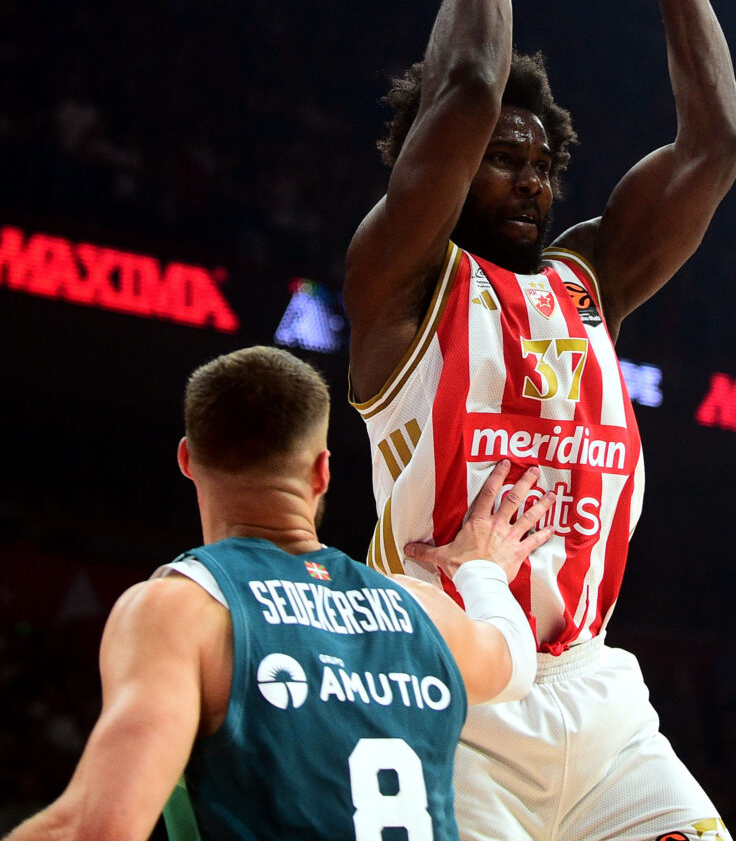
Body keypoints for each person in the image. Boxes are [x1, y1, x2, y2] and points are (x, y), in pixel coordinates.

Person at [345, 0, 736, 841]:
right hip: (448, 693)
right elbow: (470, 88)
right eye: (498, 162)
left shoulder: (587, 282)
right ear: (438, 166)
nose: (527, 179)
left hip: (596, 696)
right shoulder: (400, 282)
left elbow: (715, 144)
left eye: (539, 165)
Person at [5, 344, 556, 841]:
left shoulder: (181, 610)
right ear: (322, 472)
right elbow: (515, 663)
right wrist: (480, 570)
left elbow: (98, 827)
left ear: (187, 461)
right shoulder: (419, 609)